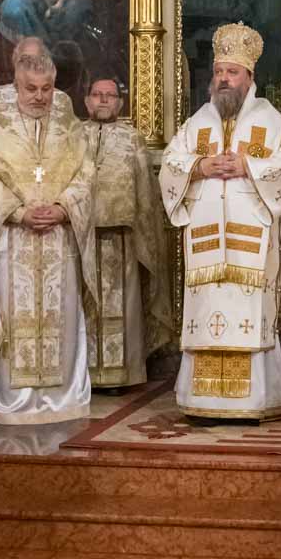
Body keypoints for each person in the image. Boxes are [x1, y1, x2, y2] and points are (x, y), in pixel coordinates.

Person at [0, 45, 97, 424]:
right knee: (10, 320)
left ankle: (61, 397)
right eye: (31, 89)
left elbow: (87, 175)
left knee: (61, 320)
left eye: (46, 89)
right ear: (17, 85)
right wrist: (18, 211)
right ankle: (8, 397)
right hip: (10, 242)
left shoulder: (70, 129)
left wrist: (64, 207)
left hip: (59, 240)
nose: (39, 97)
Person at [159, 23, 281, 420]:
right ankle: (202, 400)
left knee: (249, 314)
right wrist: (200, 166)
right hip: (206, 241)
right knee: (206, 313)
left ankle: (255, 400)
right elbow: (170, 162)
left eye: (232, 72)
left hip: (250, 242)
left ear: (249, 77)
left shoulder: (271, 120)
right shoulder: (198, 121)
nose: (224, 78)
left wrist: (248, 166)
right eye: (219, 71)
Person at [83, 76, 170, 390]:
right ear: (87, 101)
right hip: (81, 236)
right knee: (84, 305)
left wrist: (145, 235)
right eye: (97, 94)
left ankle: (123, 375)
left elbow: (145, 192)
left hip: (123, 236)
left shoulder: (132, 139)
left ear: (120, 104)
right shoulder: (72, 136)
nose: (104, 100)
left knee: (123, 306)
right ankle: (83, 374)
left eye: (110, 95)